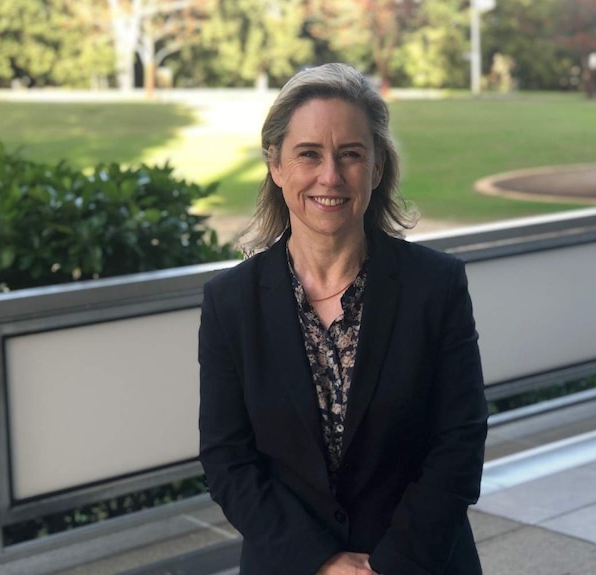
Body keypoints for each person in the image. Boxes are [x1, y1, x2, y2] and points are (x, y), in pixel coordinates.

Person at [198, 63, 488, 575]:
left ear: (376, 168)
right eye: (308, 154)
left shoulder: (435, 287)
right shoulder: (231, 302)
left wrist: (387, 567)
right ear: (276, 166)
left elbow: (458, 443)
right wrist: (324, 563)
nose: (330, 176)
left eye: (350, 155)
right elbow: (229, 462)